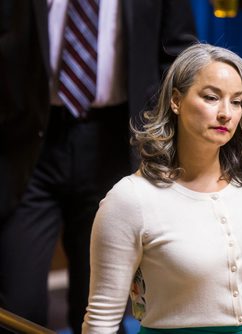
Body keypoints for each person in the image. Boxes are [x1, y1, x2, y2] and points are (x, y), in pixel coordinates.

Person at [82, 43, 242, 334]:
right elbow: (102, 320)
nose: (225, 113)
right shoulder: (130, 199)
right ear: (176, 101)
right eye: (211, 97)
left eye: (236, 101)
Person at [0, 1, 197, 332]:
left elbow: (178, 57)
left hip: (116, 144)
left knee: (99, 308)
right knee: (18, 307)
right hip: (26, 142)